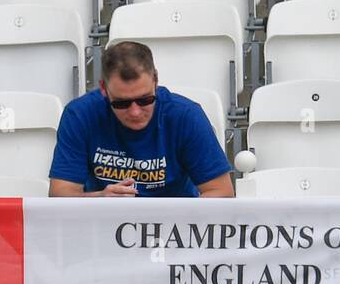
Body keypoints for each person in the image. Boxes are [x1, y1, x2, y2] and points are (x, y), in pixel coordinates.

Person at [48, 41, 235, 199]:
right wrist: (99, 199)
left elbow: (221, 191)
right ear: (104, 89)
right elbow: (61, 193)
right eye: (121, 103)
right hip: (104, 224)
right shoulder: (80, 114)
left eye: (145, 100)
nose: (135, 112)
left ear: (155, 81)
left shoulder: (185, 116)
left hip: (174, 230)